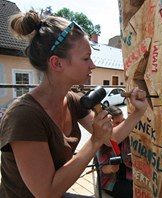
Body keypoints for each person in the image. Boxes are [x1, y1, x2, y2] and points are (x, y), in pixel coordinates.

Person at [0, 10, 148, 198]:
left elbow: (110, 139)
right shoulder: (24, 116)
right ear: (57, 63)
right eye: (86, 58)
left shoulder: (72, 100)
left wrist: (136, 113)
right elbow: (46, 192)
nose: (93, 65)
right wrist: (94, 141)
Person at [96, 105, 132, 198]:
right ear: (109, 124)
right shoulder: (102, 141)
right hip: (111, 182)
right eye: (117, 123)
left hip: (128, 176)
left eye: (123, 121)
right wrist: (111, 168)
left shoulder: (128, 136)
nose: (122, 125)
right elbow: (102, 168)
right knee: (132, 193)